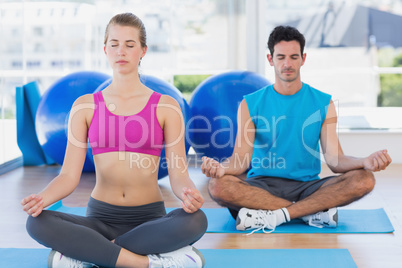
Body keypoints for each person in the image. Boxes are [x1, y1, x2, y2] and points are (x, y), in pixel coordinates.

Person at [21, 13, 207, 268]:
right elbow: (68, 176)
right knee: (36, 222)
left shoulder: (167, 106)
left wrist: (189, 194)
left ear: (143, 51)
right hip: (99, 218)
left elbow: (179, 174)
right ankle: (147, 263)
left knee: (197, 220)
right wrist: (42, 198)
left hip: (149, 219)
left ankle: (89, 254)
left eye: (130, 45)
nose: (121, 51)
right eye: (114, 44)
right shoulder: (84, 106)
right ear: (105, 50)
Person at [201, 25, 392, 233]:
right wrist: (222, 168)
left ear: (303, 58)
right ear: (270, 59)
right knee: (217, 185)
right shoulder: (250, 104)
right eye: (281, 57)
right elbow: (241, 159)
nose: (287, 64)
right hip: (262, 186)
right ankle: (309, 213)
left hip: (308, 187)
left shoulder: (323, 102)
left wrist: (364, 161)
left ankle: (272, 215)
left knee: (364, 179)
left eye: (293, 57)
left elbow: (336, 160)